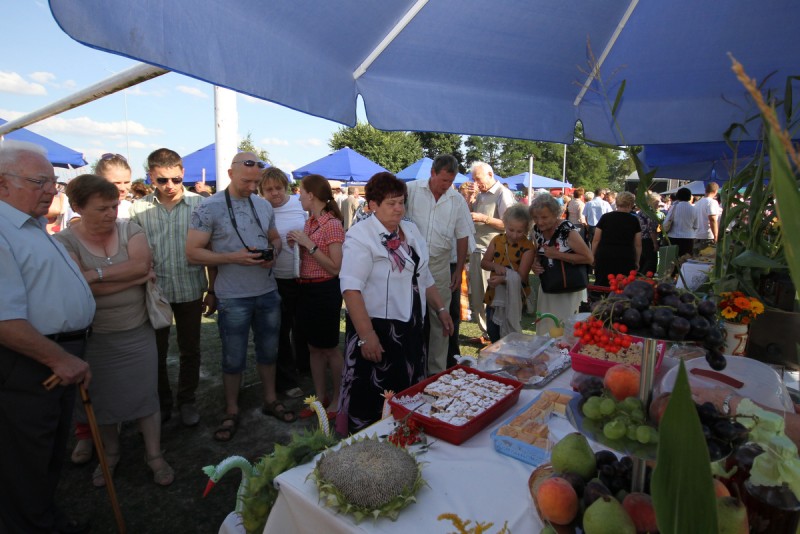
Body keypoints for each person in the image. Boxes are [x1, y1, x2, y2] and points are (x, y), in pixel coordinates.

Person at [55, 174, 174, 488]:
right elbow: (75, 288)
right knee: (102, 399)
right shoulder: (64, 241)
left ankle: (154, 455)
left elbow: (140, 265)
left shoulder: (129, 229)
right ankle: (111, 452)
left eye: (114, 206)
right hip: (95, 337)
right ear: (77, 207)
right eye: (102, 208)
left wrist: (92, 276)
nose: (111, 213)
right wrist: (126, 279)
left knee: (146, 395)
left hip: (136, 330)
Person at [0, 142, 95, 534]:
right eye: (39, 182)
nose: (50, 191)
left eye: (53, 183)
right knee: (25, 457)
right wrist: (60, 358)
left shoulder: (30, 225)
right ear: (2, 184)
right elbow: (4, 319)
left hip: (54, 355)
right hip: (31, 362)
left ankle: (44, 519)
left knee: (46, 452)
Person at [187, 152, 295, 442]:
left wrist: (274, 252)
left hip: (267, 291)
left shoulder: (262, 204)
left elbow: (273, 237)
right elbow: (193, 251)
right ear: (230, 173)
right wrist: (230, 257)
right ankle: (232, 408)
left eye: (256, 181)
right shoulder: (208, 208)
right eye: (247, 181)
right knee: (233, 357)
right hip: (233, 296)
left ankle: (270, 399)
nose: (252, 187)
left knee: (269, 351)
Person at [337, 172, 453, 434]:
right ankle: (370, 443)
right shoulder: (360, 237)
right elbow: (351, 289)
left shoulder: (410, 230)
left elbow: (424, 275)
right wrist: (367, 337)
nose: (398, 208)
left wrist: (441, 308)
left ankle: (405, 433)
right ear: (373, 205)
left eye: (401, 202)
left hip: (410, 326)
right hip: (377, 328)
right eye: (391, 203)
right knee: (373, 394)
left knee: (408, 388)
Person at [130, 148, 214, 427]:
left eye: (176, 180)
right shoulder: (138, 209)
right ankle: (162, 403)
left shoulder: (200, 205)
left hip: (190, 289)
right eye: (162, 180)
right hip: (155, 293)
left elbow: (210, 248)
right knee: (155, 353)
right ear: (151, 177)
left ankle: (186, 401)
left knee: (190, 350)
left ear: (183, 175)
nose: (170, 186)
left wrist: (212, 289)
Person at [405, 154, 473, 374]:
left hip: (440, 264)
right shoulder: (411, 190)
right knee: (409, 314)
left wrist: (459, 268)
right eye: (443, 180)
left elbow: (463, 236)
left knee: (441, 319)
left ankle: (437, 371)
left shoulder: (456, 200)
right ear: (432, 173)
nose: (447, 186)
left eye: (450, 181)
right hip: (408, 264)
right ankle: (412, 367)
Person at [287, 174, 345, 416]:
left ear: (311, 195)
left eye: (300, 191)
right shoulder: (310, 222)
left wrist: (307, 244)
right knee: (313, 347)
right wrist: (297, 243)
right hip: (307, 289)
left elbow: (335, 267)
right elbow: (311, 254)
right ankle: (320, 397)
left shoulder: (332, 224)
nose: (298, 195)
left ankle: (340, 398)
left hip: (325, 290)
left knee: (330, 348)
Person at [258, 166, 308, 397]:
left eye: (278, 188)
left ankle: (306, 367)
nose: (274, 193)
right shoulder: (260, 209)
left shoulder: (299, 205)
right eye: (268, 189)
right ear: (262, 192)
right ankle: (287, 380)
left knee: (304, 325)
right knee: (281, 329)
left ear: (286, 187)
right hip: (276, 278)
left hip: (305, 275)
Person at [467, 162, 515, 344]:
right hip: (477, 250)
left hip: (494, 254)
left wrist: (484, 218)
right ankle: (486, 333)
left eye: (478, 179)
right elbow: (469, 218)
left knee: (491, 296)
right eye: (474, 180)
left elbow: (510, 224)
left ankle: (494, 334)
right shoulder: (481, 194)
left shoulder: (503, 194)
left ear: (490, 174)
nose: (476, 183)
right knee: (478, 296)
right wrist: (470, 201)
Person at [530, 194, 594, 333]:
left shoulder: (567, 230)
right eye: (535, 217)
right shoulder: (536, 230)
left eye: (544, 217)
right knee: (547, 327)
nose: (539, 222)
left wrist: (558, 255)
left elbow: (588, 258)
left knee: (567, 330)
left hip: (569, 290)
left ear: (555, 214)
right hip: (548, 288)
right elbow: (538, 252)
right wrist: (535, 264)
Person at [480, 204, 534, 342]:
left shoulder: (528, 247)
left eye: (519, 231)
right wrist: (494, 265)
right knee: (493, 330)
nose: (515, 235)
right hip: (494, 294)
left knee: (510, 333)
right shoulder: (497, 240)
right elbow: (484, 263)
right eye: (511, 230)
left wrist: (503, 279)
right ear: (505, 224)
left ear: (526, 230)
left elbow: (521, 277)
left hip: (514, 296)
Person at [591, 191, 642, 286]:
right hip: (626, 255)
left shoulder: (605, 217)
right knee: (623, 285)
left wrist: (592, 255)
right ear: (631, 204)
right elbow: (638, 244)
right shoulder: (634, 220)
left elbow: (596, 240)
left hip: (605, 254)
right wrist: (637, 260)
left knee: (602, 283)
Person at [663, 187, 698, 257]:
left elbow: (666, 222)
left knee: (673, 260)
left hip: (673, 236)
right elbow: (696, 225)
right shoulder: (694, 209)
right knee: (685, 259)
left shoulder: (674, 207)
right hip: (689, 237)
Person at [636, 191, 662, 275]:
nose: (658, 204)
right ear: (651, 201)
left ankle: (640, 275)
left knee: (642, 259)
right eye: (657, 202)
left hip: (640, 238)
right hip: (648, 239)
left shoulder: (642, 211)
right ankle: (645, 276)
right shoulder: (650, 213)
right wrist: (655, 243)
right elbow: (651, 229)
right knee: (650, 260)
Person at [693, 181, 722, 252]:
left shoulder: (697, 203)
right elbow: (712, 219)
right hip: (708, 235)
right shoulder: (712, 202)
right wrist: (716, 236)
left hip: (697, 235)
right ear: (715, 191)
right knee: (706, 259)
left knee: (697, 259)